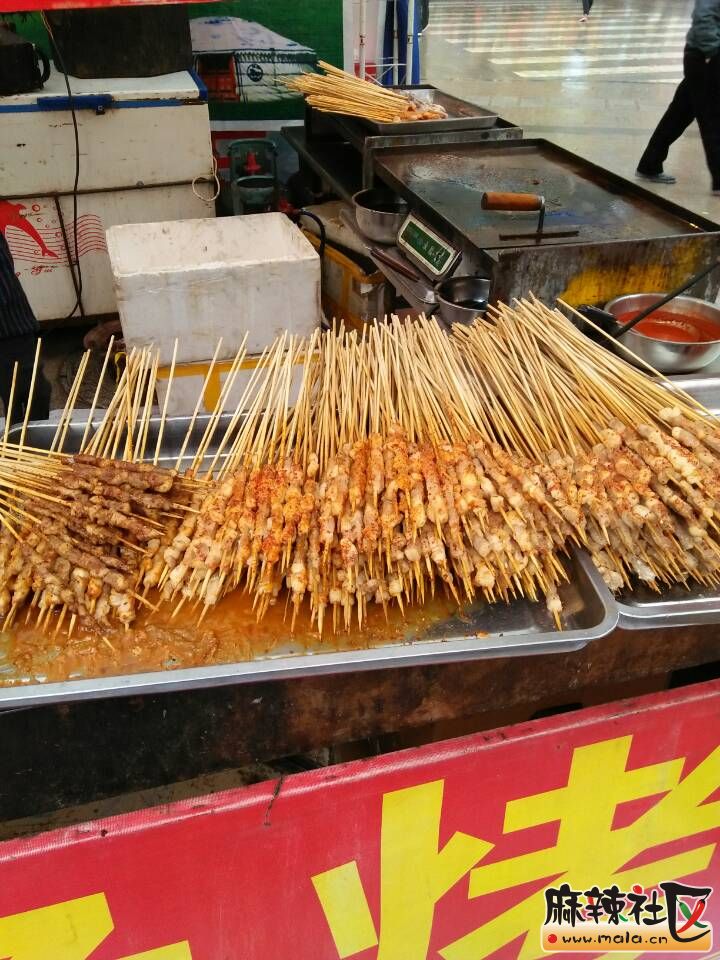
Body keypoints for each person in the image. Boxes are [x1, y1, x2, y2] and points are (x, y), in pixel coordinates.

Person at [636, 0, 720, 192]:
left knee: (679, 114)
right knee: (713, 118)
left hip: (702, 57)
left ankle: (649, 164)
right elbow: (703, 17)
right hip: (705, 57)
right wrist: (713, 53)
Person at [0, 230, 51, 427]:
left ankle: (26, 438)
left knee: (30, 394)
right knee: (28, 394)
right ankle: (24, 440)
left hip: (17, 322)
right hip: (8, 332)